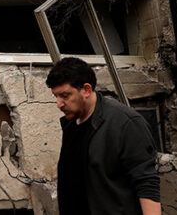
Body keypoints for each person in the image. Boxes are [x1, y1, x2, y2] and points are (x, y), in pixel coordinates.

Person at [46, 57, 161, 214]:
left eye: (65, 96)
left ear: (86, 90)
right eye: (56, 96)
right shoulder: (71, 124)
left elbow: (146, 182)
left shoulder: (125, 122)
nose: (59, 103)